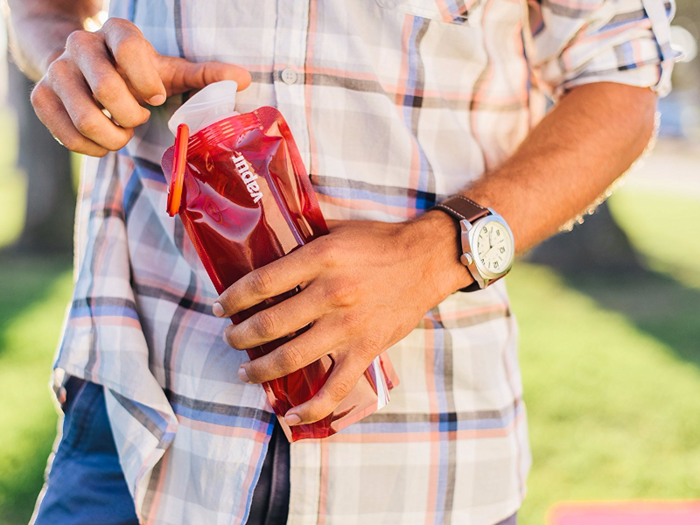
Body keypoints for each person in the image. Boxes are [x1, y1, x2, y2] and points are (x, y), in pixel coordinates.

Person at [7, 0, 677, 524]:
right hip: (133, 427)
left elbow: (622, 79)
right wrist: (69, 55)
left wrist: (436, 253)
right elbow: (46, 8)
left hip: (422, 465)